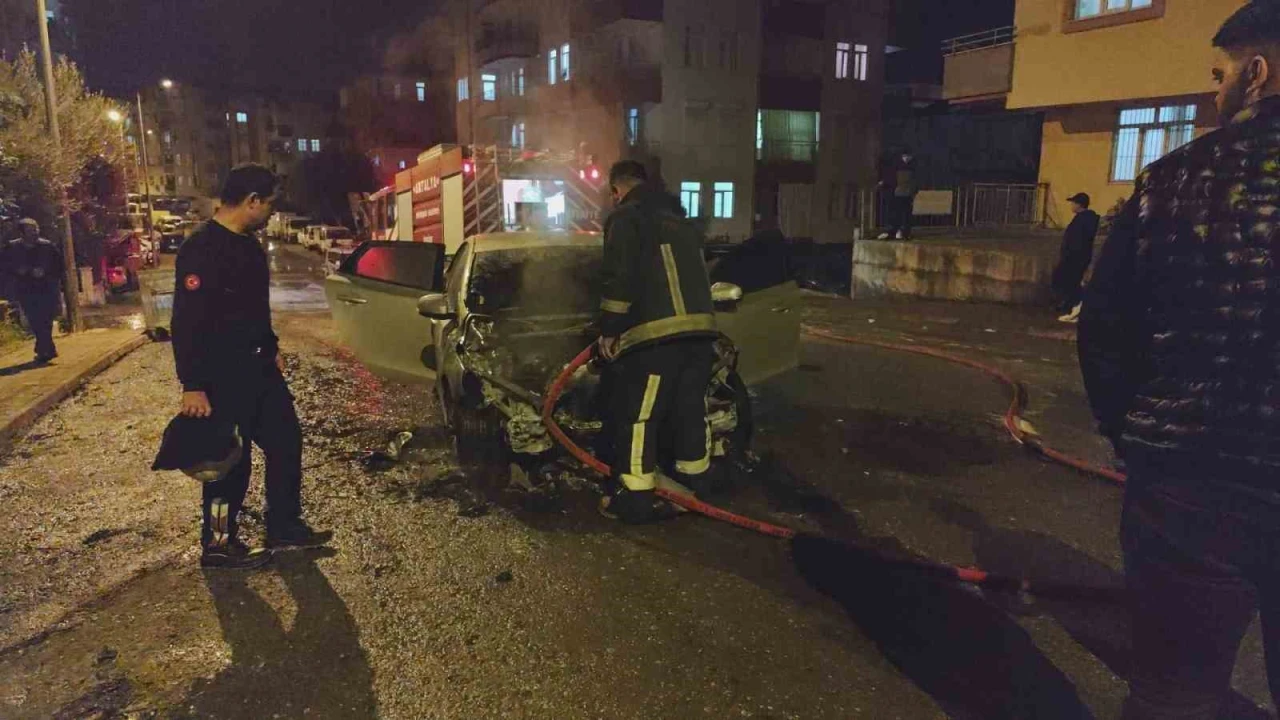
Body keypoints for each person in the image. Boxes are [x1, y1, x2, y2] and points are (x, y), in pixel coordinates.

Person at [1078, 3, 1280, 717]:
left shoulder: (1173, 180)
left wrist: (1133, 434)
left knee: (1174, 693)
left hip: (1189, 481)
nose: (1214, 89)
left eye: (1221, 74)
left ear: (1257, 73)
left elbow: (1106, 331)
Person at [172, 164, 331, 570]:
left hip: (259, 370)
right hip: (220, 377)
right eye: (269, 205)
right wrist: (193, 384)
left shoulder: (249, 246)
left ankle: (283, 525)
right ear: (252, 201)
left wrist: (270, 347)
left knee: (286, 441)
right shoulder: (201, 248)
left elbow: (254, 310)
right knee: (228, 461)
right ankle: (218, 543)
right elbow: (186, 320)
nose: (271, 213)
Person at [596, 160, 720, 523]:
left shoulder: (626, 218)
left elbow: (619, 277)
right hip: (700, 336)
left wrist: (609, 329)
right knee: (690, 411)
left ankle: (634, 498)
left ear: (616, 190)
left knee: (639, 416)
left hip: (656, 339)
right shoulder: (680, 222)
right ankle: (695, 486)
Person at [0, 218, 64, 363]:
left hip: (47, 288)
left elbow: (59, 266)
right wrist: (20, 271)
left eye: (36, 229)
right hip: (26, 289)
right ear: (22, 233)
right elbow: (4, 266)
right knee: (34, 319)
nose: (34, 232)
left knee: (47, 319)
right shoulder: (12, 248)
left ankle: (44, 349)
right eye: (30, 230)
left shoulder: (47, 246)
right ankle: (46, 349)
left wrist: (45, 272)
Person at [1051, 192, 1101, 324]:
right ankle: (1070, 306)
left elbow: (1077, 240)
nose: (1071, 205)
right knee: (1068, 281)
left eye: (1073, 203)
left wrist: (1069, 254)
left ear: (1079, 205)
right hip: (1076, 256)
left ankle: (1075, 309)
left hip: (1075, 257)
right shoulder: (1084, 219)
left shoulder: (1083, 220)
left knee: (1071, 282)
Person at [878, 151, 918, 241]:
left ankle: (902, 231)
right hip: (899, 193)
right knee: (898, 213)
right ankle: (896, 231)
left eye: (908, 157)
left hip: (905, 194)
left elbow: (914, 182)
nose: (907, 159)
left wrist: (913, 192)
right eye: (905, 157)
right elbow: (891, 178)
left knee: (905, 214)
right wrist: (884, 182)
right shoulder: (898, 166)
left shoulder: (912, 167)